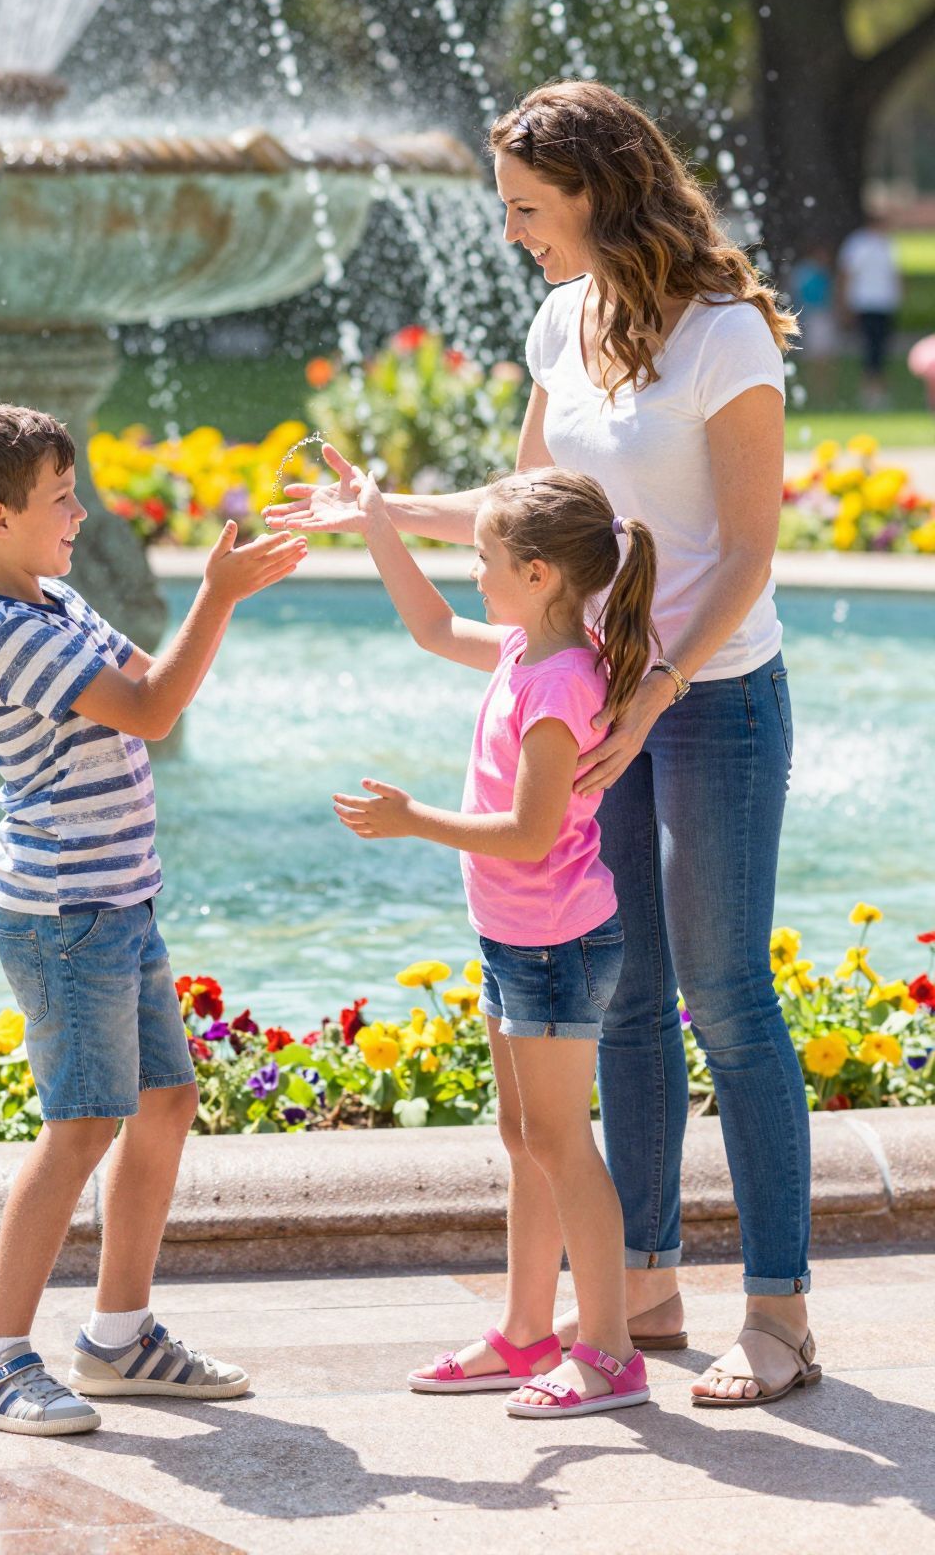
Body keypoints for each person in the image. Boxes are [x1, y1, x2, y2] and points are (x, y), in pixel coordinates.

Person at [270, 80, 820, 1409]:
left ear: (599, 191)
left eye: (530, 207)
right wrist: (380, 509)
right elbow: (530, 507)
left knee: (726, 994)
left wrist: (656, 694)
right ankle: (638, 1283)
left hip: (715, 697)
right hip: (598, 703)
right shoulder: (564, 323)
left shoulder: (726, 334)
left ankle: (782, 1314)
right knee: (622, 995)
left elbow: (749, 553)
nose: (515, 231)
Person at [0, 399, 306, 1436]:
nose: (79, 511)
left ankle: (118, 1336)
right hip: (65, 911)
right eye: (58, 499)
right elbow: (153, 709)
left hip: (116, 897)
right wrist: (215, 600)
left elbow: (143, 672)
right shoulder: (2, 629)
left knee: (165, 1102)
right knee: (83, 1121)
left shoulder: (52, 594)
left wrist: (222, 595)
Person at [335, 466, 657, 1419]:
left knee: (561, 1142)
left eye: (484, 558)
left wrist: (414, 819)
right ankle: (525, 1335)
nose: (474, 572)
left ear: (541, 573)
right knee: (525, 1137)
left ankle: (608, 1352)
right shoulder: (529, 648)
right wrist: (373, 521)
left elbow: (528, 834)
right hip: (517, 938)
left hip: (556, 944)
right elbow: (431, 629)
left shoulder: (561, 685)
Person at [837, 213, 902, 410]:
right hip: (865, 303)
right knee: (870, 347)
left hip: (885, 303)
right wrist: (845, 303)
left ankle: (878, 389)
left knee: (881, 347)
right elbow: (846, 274)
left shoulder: (888, 244)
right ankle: (870, 391)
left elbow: (894, 273)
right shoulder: (858, 243)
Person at [787, 247, 840, 407]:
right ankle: (815, 391)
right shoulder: (807, 273)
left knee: (824, 358)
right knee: (816, 358)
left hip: (821, 317)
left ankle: (821, 392)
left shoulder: (817, 273)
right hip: (813, 317)